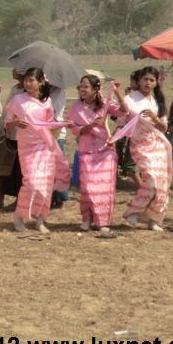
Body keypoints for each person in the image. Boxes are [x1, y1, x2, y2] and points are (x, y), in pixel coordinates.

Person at [3, 68, 71, 234]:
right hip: (27, 147)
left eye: (31, 80)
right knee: (32, 183)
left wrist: (63, 123)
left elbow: (48, 124)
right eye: (26, 80)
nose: (27, 83)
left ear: (41, 82)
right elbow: (7, 122)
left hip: (44, 146)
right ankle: (19, 217)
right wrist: (16, 123)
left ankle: (40, 219)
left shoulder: (47, 102)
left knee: (46, 184)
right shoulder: (18, 100)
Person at [67, 75, 127, 233]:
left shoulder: (105, 104)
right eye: (81, 86)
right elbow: (73, 128)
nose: (82, 89)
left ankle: (102, 221)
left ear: (96, 90)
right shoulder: (76, 107)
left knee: (103, 188)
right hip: (86, 150)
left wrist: (117, 91)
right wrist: (89, 126)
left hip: (105, 151)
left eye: (86, 86)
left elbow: (124, 111)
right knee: (87, 187)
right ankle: (87, 218)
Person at [122, 66, 172, 231]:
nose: (148, 83)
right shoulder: (130, 98)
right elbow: (123, 117)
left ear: (156, 82)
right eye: (145, 79)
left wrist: (155, 118)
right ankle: (133, 212)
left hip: (157, 143)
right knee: (150, 180)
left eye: (151, 80)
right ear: (139, 80)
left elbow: (164, 127)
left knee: (162, 184)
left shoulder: (157, 101)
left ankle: (154, 219)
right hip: (140, 145)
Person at [0, 69, 25, 211]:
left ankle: (19, 199)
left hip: (23, 137)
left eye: (17, 68)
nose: (13, 70)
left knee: (18, 170)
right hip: (9, 133)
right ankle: (0, 197)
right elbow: (6, 111)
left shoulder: (30, 93)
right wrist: (0, 130)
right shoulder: (15, 89)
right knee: (3, 166)